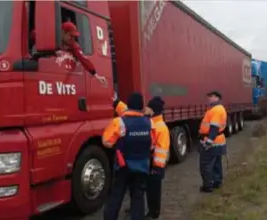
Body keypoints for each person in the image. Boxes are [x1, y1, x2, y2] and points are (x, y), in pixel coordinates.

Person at [102, 92, 152, 220]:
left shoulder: (119, 122)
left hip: (124, 165)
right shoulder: (149, 122)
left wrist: (117, 146)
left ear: (128, 105)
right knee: (138, 196)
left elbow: (107, 142)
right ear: (142, 106)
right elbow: (152, 144)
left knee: (116, 195)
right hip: (142, 165)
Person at [31, 21, 107, 86]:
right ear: (63, 32)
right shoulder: (49, 35)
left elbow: (83, 59)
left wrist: (96, 75)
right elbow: (33, 35)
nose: (73, 39)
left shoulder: (74, 45)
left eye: (75, 37)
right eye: (71, 36)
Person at [144, 96, 170, 219]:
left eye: (148, 107)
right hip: (151, 163)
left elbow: (161, 150)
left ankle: (154, 213)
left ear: (153, 110)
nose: (145, 109)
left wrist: (157, 167)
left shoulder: (160, 127)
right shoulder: (152, 123)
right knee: (150, 189)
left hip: (155, 166)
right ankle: (151, 210)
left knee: (154, 190)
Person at [198, 91, 227, 193]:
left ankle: (208, 185)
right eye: (209, 96)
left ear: (217, 98)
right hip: (218, 142)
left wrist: (208, 142)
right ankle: (217, 182)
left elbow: (214, 127)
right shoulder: (216, 109)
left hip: (212, 142)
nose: (209, 98)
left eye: (212, 97)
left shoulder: (216, 110)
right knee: (216, 164)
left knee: (206, 165)